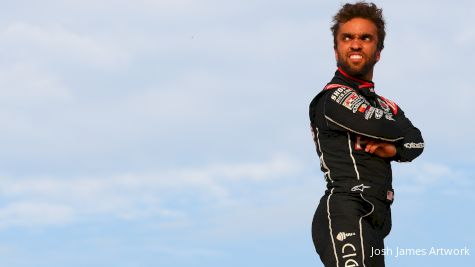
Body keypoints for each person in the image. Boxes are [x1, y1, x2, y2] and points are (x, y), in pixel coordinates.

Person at [308, 2, 424, 266]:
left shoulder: (386, 104)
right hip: (346, 208)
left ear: (378, 52)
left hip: (378, 217)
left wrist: (394, 150)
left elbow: (417, 142)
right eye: (347, 37)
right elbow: (381, 127)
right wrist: (397, 134)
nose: (356, 44)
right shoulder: (332, 97)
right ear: (335, 48)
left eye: (365, 38)